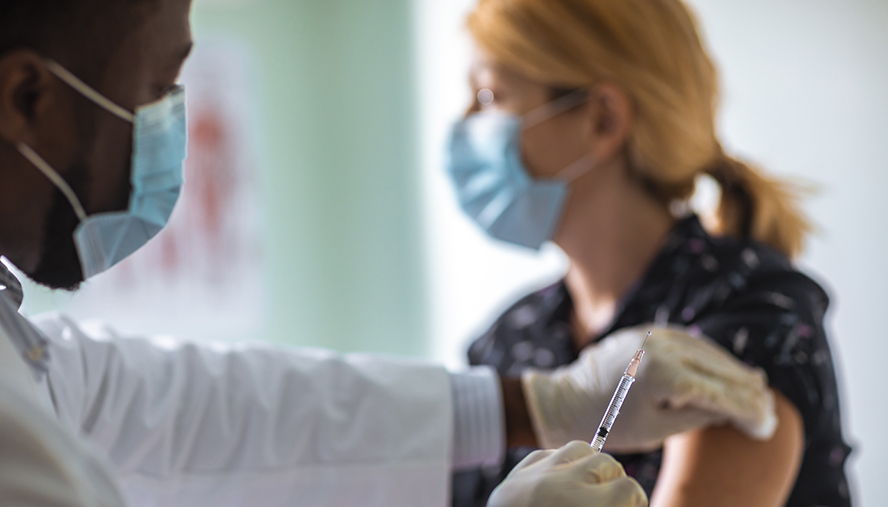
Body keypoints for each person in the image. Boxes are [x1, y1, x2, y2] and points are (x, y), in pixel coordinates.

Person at [0, 0, 776, 506]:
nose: (166, 122)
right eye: (158, 84)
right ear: (25, 97)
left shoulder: (746, 318)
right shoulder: (513, 332)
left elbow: (186, 405)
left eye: (489, 98)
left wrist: (530, 405)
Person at [445, 0, 853, 506]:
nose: (462, 123)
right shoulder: (505, 342)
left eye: (488, 95)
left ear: (602, 119)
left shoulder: (746, 311)